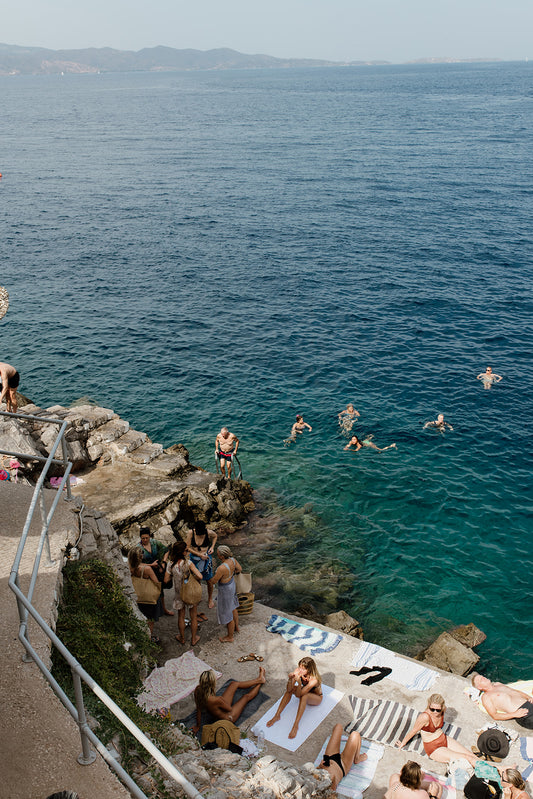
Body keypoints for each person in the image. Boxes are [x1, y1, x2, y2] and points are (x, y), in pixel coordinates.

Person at [395, 693, 478, 766]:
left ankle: (490, 766)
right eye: (432, 709)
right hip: (433, 747)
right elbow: (414, 730)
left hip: (443, 738)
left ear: (442, 707)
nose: (435, 712)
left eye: (438, 710)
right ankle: (489, 772)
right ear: (429, 705)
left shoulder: (443, 710)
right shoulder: (424, 717)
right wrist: (403, 743)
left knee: (472, 755)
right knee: (466, 759)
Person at [192, 667, 266, 734]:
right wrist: (222, 702)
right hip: (228, 717)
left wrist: (198, 726)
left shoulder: (198, 690)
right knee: (245, 697)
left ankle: (259, 679)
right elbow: (229, 709)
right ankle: (260, 683)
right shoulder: (217, 700)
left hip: (217, 709)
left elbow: (199, 709)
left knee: (233, 684)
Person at [266, 656, 322, 739]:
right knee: (290, 691)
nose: (300, 670)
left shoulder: (314, 680)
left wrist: (299, 683)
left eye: (303, 669)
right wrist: (290, 679)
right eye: (299, 667)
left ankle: (295, 725)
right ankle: (277, 715)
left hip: (316, 697)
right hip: (304, 691)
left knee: (304, 696)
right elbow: (289, 689)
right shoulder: (298, 671)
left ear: (309, 669)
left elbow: (298, 695)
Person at [166, 540, 203, 647]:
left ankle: (182, 638)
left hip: (179, 593)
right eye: (186, 550)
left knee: (181, 617)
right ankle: (193, 639)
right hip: (190, 592)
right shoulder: (188, 563)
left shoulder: (170, 564)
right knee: (193, 617)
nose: (187, 552)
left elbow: (165, 580)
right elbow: (200, 576)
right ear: (182, 552)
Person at [317, 723, 368, 790]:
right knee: (355, 735)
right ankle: (357, 758)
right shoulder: (326, 792)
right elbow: (333, 786)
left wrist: (320, 766)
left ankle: (336, 742)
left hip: (329, 758)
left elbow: (315, 771)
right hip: (342, 766)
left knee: (338, 726)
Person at [128, 547, 162, 640]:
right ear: (140, 557)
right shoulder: (147, 569)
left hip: (137, 596)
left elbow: (138, 565)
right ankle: (148, 639)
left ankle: (140, 638)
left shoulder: (130, 567)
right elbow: (156, 581)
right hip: (148, 598)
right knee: (150, 619)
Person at [209, 545, 241, 643]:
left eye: (218, 554)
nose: (217, 555)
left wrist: (208, 577)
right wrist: (231, 574)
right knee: (233, 606)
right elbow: (239, 569)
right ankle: (236, 627)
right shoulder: (233, 560)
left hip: (225, 589)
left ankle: (230, 636)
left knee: (227, 613)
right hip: (231, 584)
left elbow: (214, 581)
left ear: (222, 556)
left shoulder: (221, 568)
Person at [139, 527, 173, 616]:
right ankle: (152, 611)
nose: (145, 540)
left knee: (160, 589)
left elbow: (166, 550)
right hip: (147, 572)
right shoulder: (138, 548)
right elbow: (137, 564)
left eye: (147, 538)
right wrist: (151, 565)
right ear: (140, 538)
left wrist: (164, 562)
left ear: (149, 536)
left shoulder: (154, 543)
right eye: (143, 538)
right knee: (150, 591)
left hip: (158, 570)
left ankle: (164, 609)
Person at [187, 520, 217, 609]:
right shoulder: (191, 533)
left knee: (209, 580)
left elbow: (215, 536)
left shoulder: (208, 532)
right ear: (195, 530)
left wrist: (212, 547)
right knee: (197, 579)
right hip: (195, 559)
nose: (200, 535)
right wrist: (199, 555)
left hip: (206, 559)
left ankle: (210, 598)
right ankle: (198, 596)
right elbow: (187, 547)